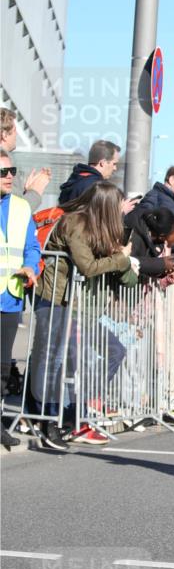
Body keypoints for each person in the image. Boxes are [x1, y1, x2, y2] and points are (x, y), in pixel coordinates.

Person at [31, 181, 137, 447]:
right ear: (106, 207)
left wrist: (122, 262)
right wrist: (121, 258)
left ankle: (76, 412)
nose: (120, 213)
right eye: (117, 207)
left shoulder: (102, 229)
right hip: (55, 299)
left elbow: (125, 277)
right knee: (53, 361)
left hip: (82, 309)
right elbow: (88, 267)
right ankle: (49, 422)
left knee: (115, 350)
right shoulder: (75, 223)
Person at [0, 150, 41, 447]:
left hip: (10, 296)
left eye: (11, 170)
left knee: (2, 366)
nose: (10, 176)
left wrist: (31, 265)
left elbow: (32, 246)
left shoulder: (20, 207)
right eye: (3, 172)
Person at [0, 107, 51, 211]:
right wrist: (35, 192)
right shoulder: (5, 159)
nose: (16, 135)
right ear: (4, 135)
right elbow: (15, 212)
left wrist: (25, 191)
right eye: (14, 131)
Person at [59, 140, 121, 205]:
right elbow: (96, 214)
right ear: (102, 163)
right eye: (114, 164)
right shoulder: (96, 187)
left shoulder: (75, 180)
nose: (115, 168)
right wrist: (121, 212)